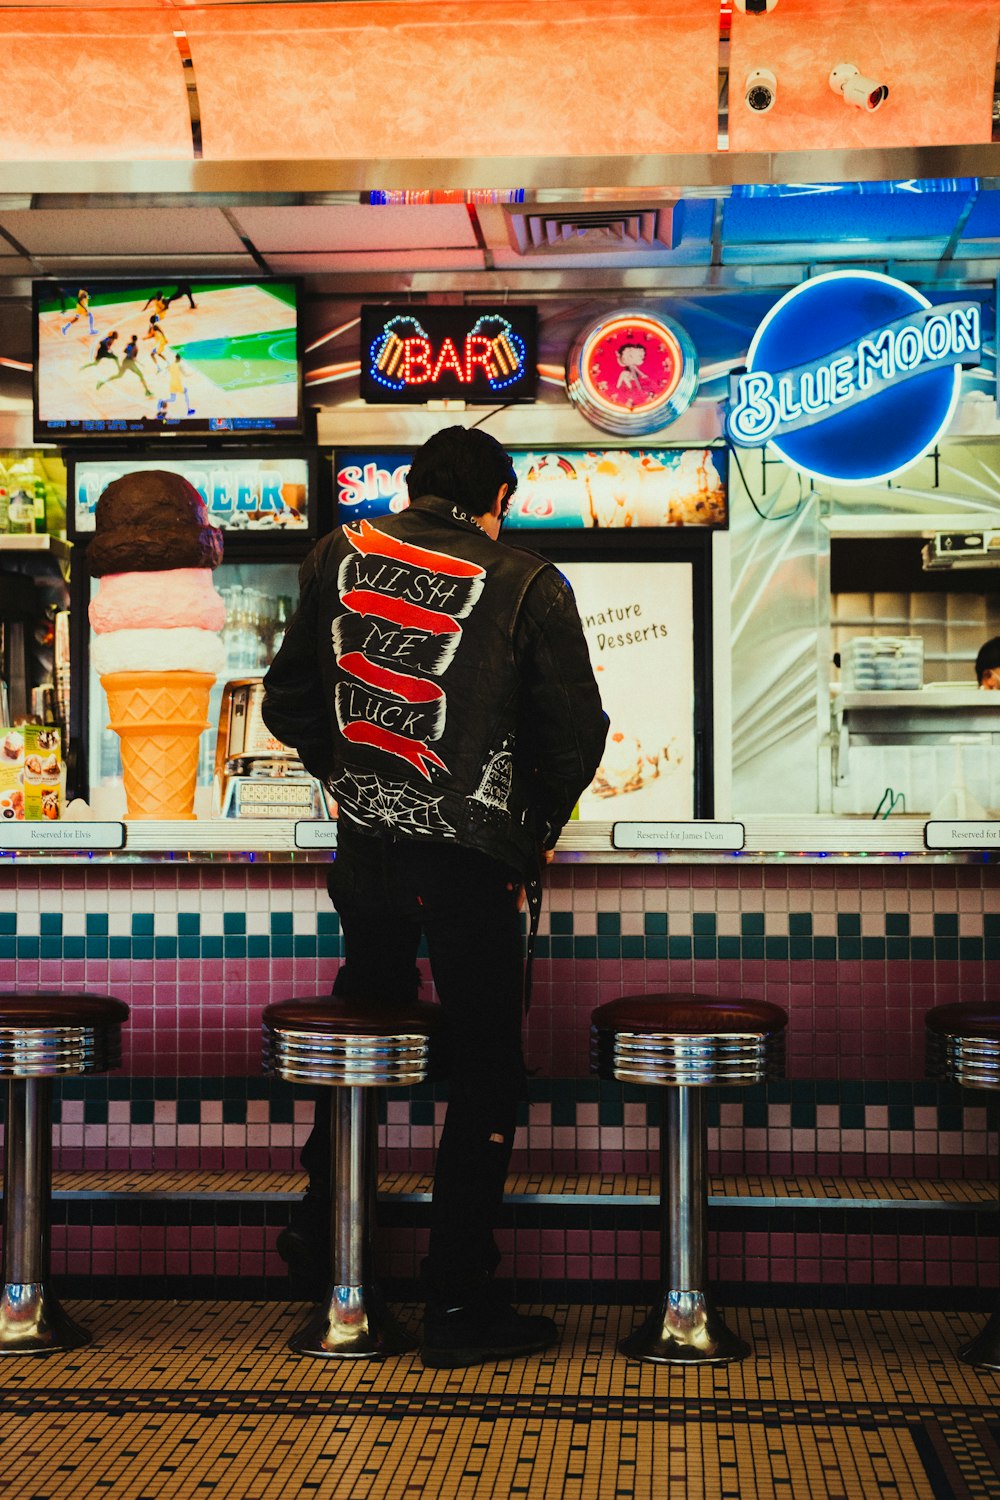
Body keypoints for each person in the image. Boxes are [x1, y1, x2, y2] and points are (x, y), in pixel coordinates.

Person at [262, 424, 607, 1369]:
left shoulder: (338, 553)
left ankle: (323, 1246)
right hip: (469, 868)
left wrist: (355, 780)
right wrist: (526, 828)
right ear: (501, 497)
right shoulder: (531, 580)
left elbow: (287, 702)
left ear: (412, 489)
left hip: (367, 860)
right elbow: (577, 735)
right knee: (488, 1069)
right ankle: (459, 1304)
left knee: (363, 1038)